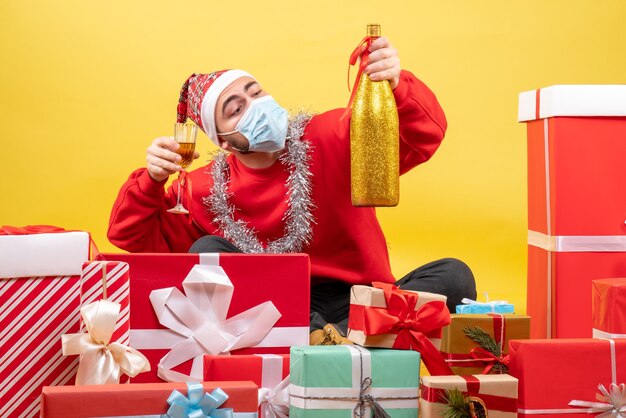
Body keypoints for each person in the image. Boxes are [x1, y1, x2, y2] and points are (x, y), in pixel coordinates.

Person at [108, 37, 476, 345]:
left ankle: (337, 339)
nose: (255, 107)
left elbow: (422, 136)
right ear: (222, 141)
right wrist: (153, 180)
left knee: (454, 276)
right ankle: (338, 340)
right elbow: (132, 236)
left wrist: (396, 83)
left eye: (256, 93)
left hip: (367, 299)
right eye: (236, 109)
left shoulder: (331, 134)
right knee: (205, 253)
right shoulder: (204, 186)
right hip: (279, 304)